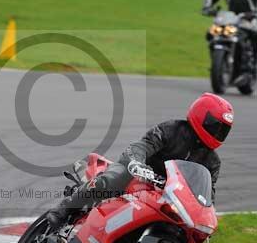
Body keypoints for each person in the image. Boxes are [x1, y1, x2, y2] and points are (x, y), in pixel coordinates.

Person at [46, 93, 233, 229]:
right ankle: (65, 208)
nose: (218, 133)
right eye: (215, 126)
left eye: (223, 130)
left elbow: (208, 194)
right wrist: (136, 162)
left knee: (183, 227)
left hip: (169, 196)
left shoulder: (212, 161)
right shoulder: (172, 129)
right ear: (201, 116)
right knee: (112, 179)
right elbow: (143, 145)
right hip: (140, 176)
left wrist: (205, 211)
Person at [202, 0, 257, 84]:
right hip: (231, 18)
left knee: (254, 35)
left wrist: (253, 13)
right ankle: (220, 64)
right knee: (211, 33)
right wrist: (207, 7)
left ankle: (252, 67)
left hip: (250, 18)